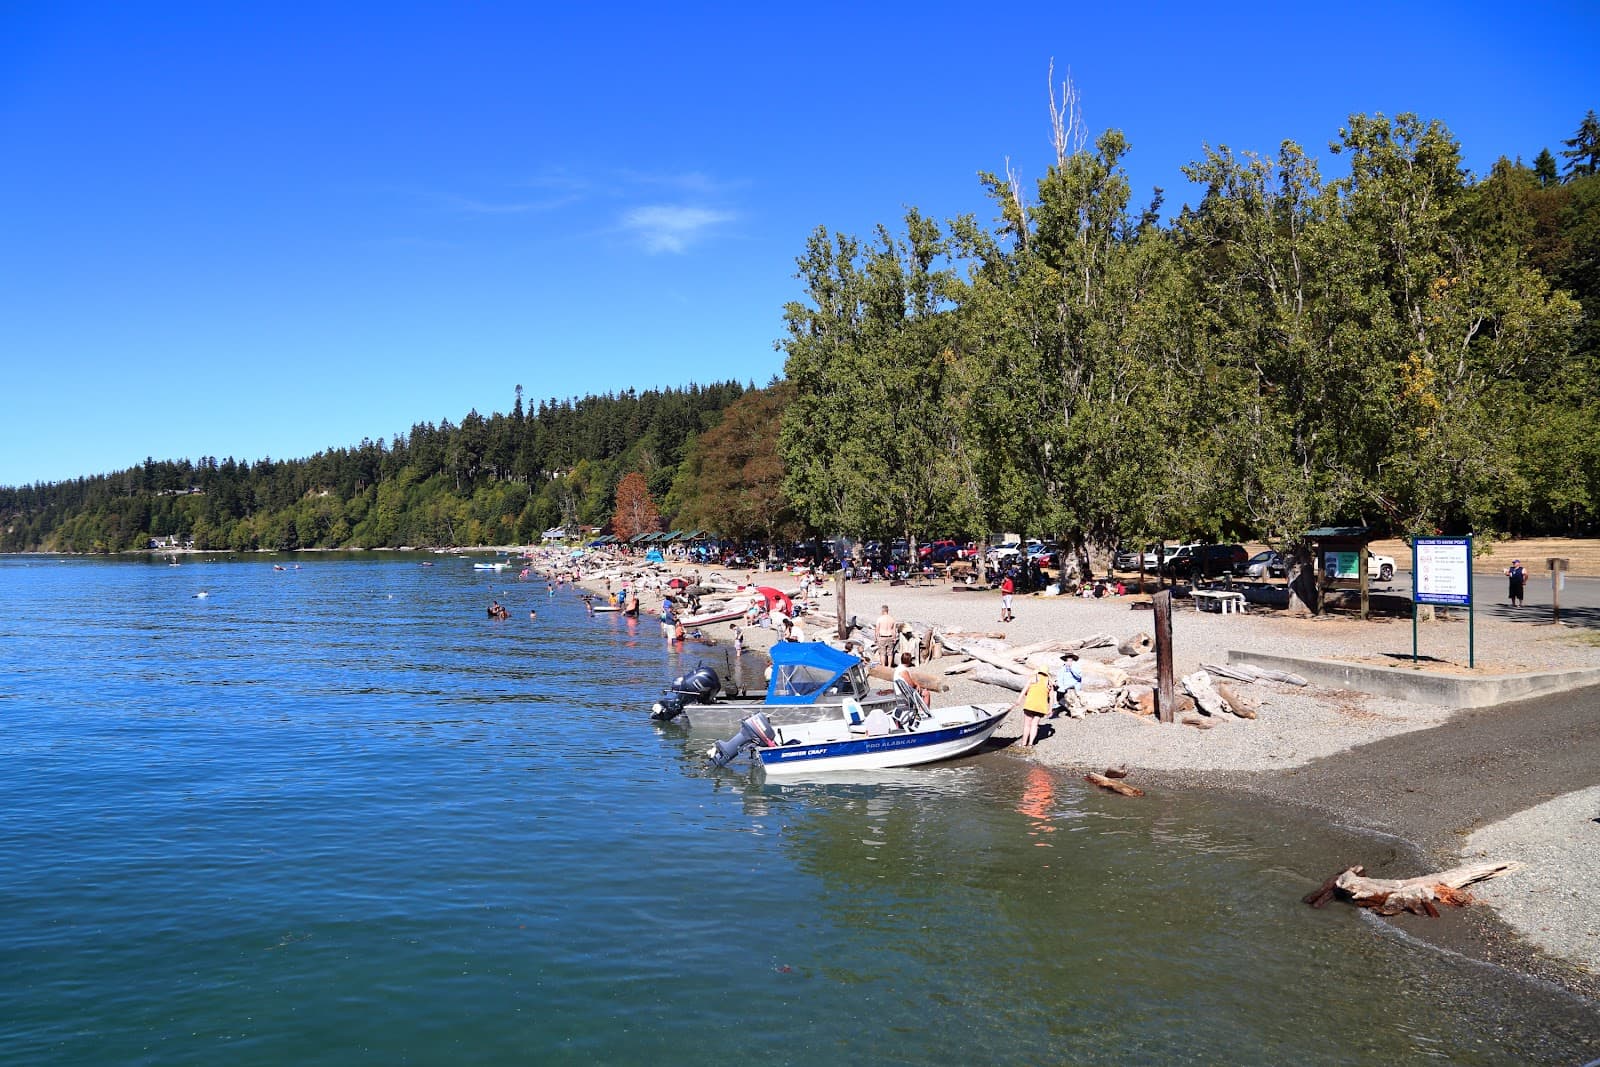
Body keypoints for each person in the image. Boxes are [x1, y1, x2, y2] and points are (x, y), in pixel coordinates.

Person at [1009, 668, 1052, 747]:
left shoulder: (1033, 678)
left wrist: (1018, 701)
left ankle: (1023, 743)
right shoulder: (1049, 682)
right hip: (1041, 707)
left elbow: (1024, 690)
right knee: (1034, 725)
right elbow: (1051, 697)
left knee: (1027, 725)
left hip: (1030, 705)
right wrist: (1050, 709)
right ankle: (1030, 743)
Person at [1053, 652, 1085, 718]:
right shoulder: (1063, 668)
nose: (1068, 661)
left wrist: (1071, 668)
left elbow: (1079, 676)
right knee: (1056, 692)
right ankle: (1056, 708)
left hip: (1074, 686)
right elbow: (1060, 677)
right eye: (1067, 660)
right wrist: (1058, 683)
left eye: (1070, 660)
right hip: (1064, 686)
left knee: (1073, 698)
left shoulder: (1076, 667)